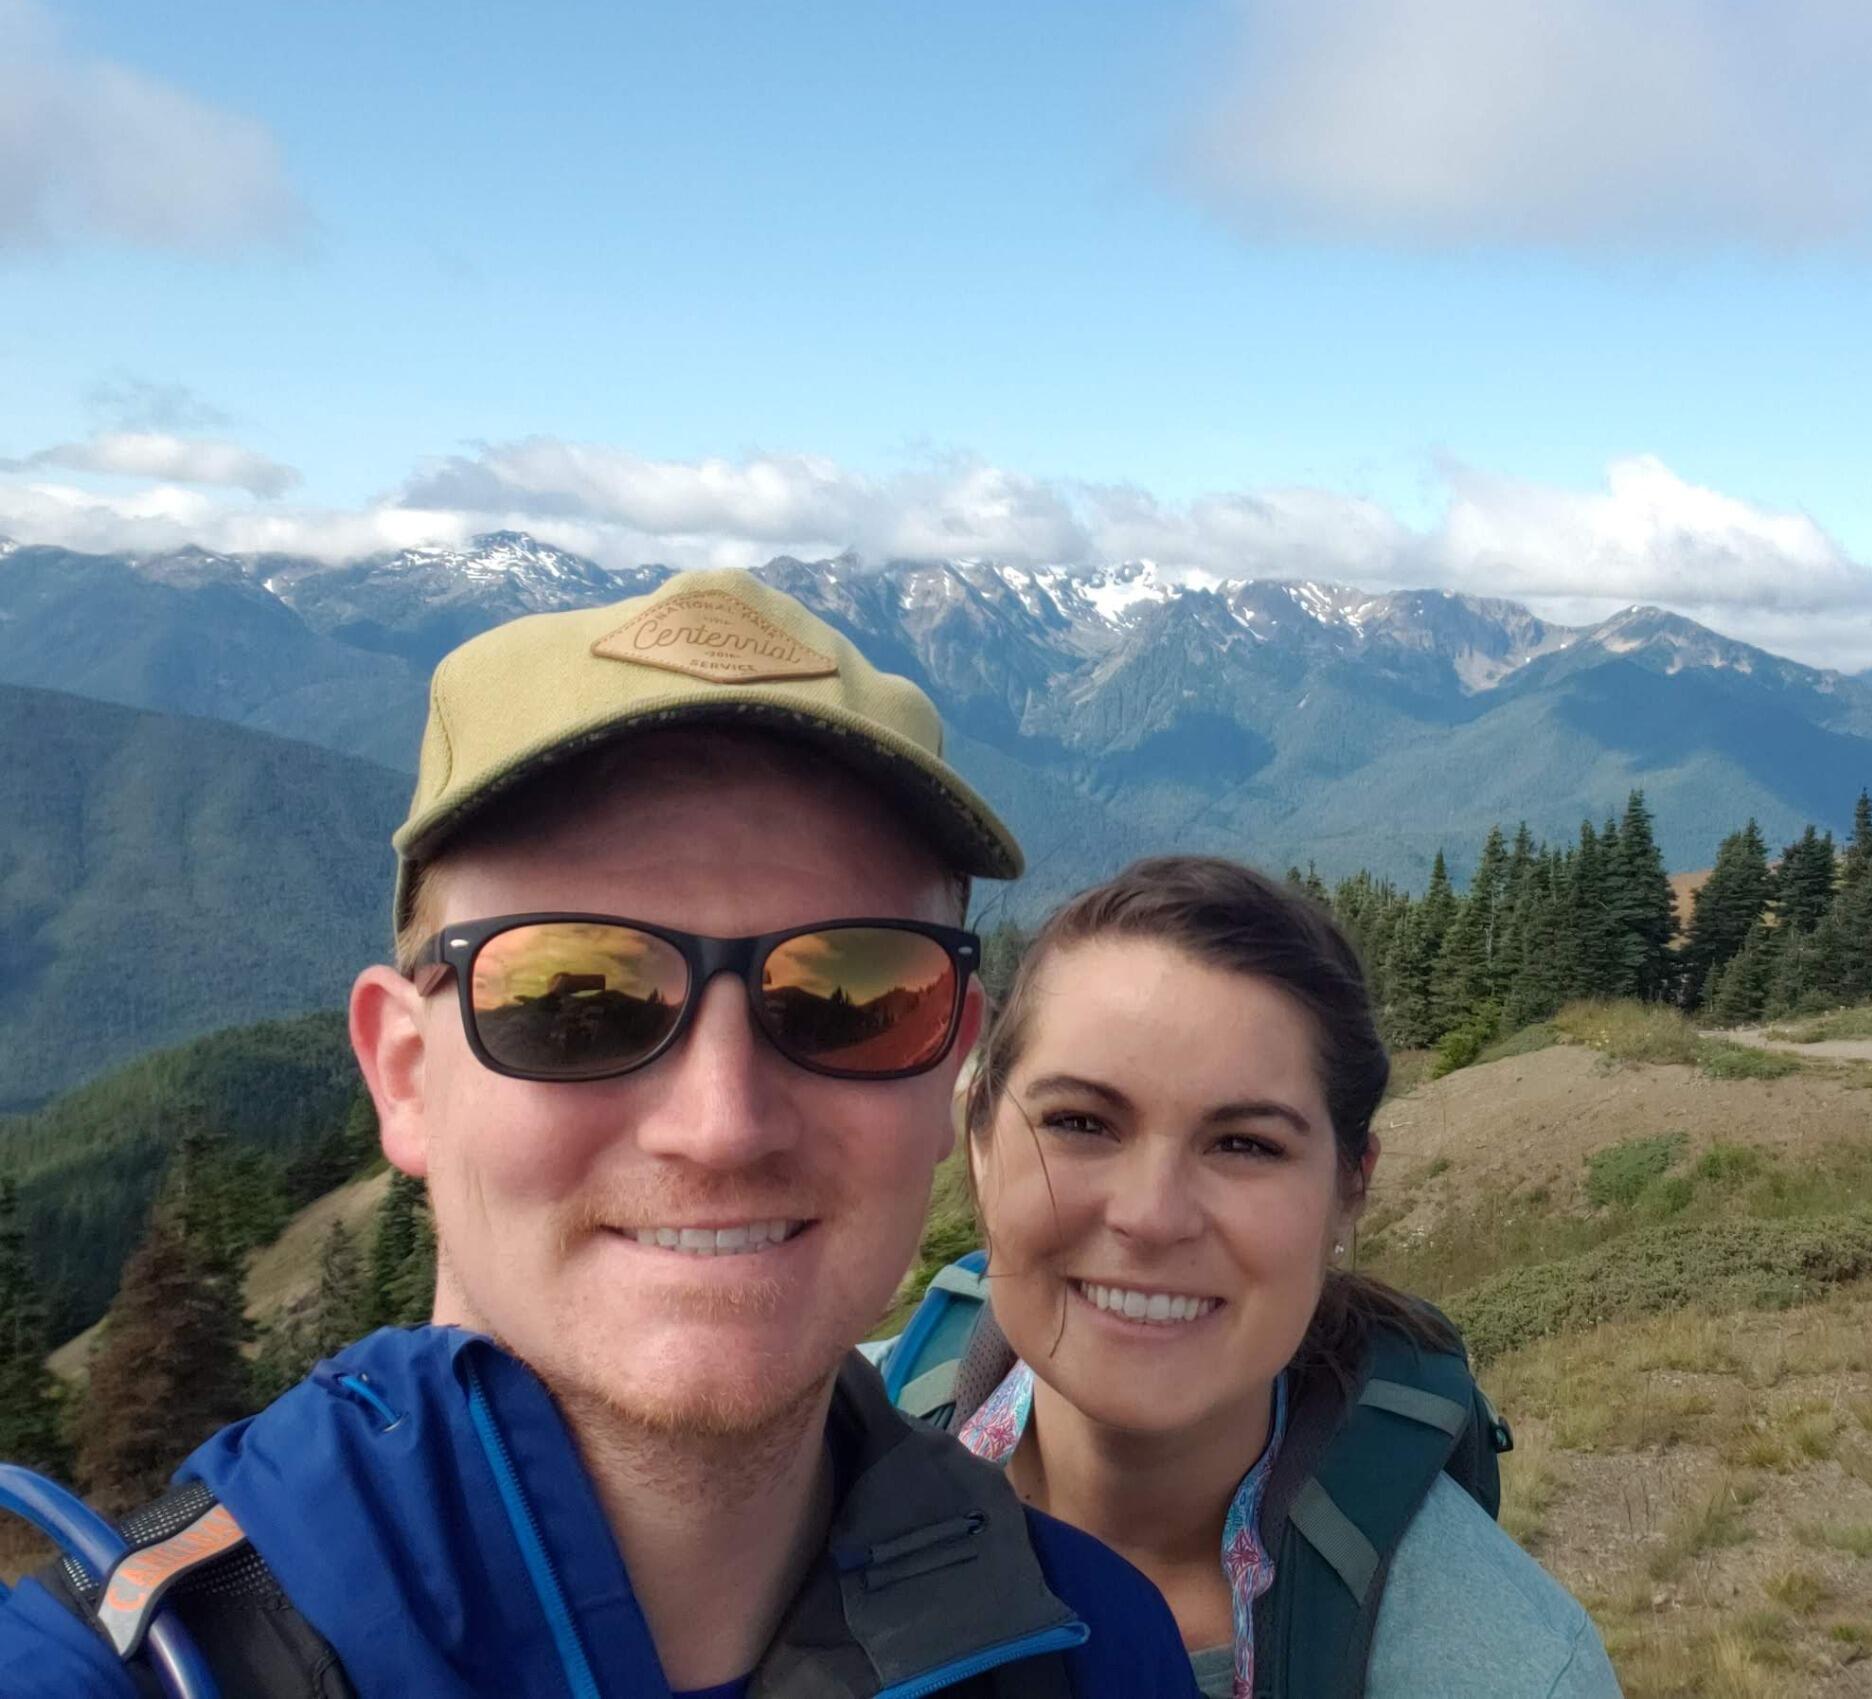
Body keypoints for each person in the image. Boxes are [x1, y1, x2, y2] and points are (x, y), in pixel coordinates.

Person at [0, 569, 1194, 1699]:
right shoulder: (124, 1667)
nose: (721, 1125)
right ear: (403, 1074)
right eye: (577, 999)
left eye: (856, 996)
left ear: (949, 1068)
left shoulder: (1096, 1648)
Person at [881, 857, 1619, 1699]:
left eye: (1245, 1144)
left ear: (1350, 1187)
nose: (1152, 1215)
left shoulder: (1509, 1669)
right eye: (1080, 1122)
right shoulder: (789, 1467)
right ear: (979, 1142)